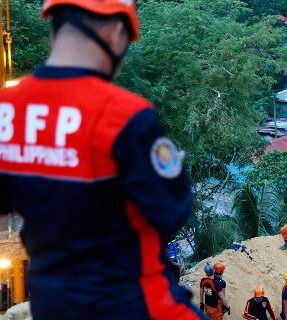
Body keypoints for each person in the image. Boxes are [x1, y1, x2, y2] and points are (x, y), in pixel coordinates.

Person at [0, 0, 204, 318]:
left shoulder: (7, 109)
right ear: (116, 32)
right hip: (133, 303)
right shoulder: (125, 116)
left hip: (52, 303)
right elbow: (172, 210)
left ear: (55, 31)